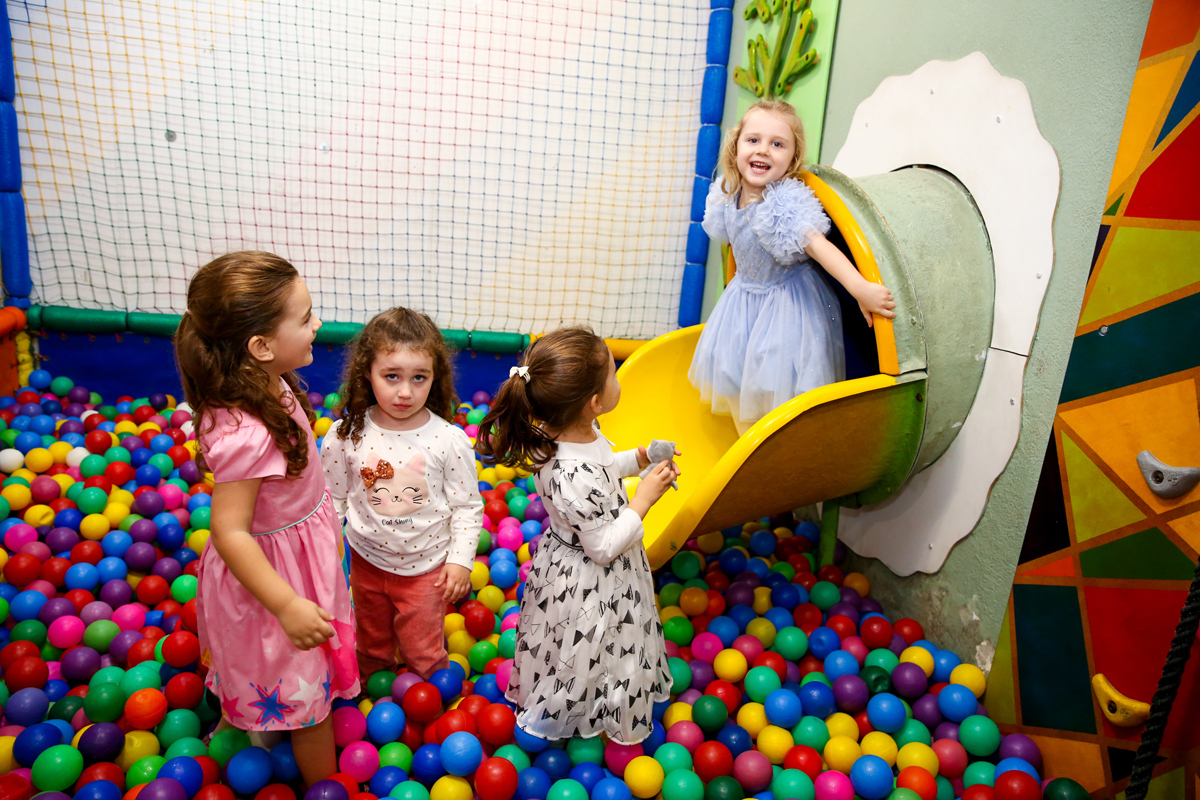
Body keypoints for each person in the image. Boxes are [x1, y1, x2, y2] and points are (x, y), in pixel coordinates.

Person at [174, 251, 359, 785]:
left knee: (280, 666)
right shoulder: (248, 433)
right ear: (260, 346)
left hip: (298, 553)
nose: (317, 325)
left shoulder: (262, 382)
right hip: (274, 576)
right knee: (303, 684)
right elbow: (229, 531)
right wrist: (287, 604)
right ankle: (324, 785)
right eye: (305, 318)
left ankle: (254, 720)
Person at [475, 327, 680, 744]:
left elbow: (604, 464)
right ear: (595, 402)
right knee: (587, 644)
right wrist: (644, 498)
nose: (618, 378)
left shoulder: (570, 432)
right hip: (590, 580)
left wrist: (640, 458)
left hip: (580, 562)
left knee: (595, 643)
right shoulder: (570, 473)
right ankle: (580, 710)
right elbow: (603, 548)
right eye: (614, 374)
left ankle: (599, 699)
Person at [689, 99, 898, 434]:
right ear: (736, 145)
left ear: (792, 158)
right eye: (753, 140)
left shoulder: (783, 203)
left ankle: (779, 447)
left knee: (778, 386)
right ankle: (749, 445)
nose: (763, 150)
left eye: (777, 144)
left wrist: (860, 289)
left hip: (788, 309)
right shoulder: (726, 195)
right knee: (737, 380)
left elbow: (820, 248)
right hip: (743, 303)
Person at [321, 308, 482, 682]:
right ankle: (371, 683)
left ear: (434, 377)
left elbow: (467, 507)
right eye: (391, 376)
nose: (406, 392)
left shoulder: (448, 440)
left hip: (427, 570)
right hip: (365, 561)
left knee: (423, 649)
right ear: (367, 372)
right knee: (371, 640)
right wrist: (325, 552)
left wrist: (460, 561)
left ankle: (429, 691)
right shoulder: (347, 435)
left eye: (419, 377)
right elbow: (333, 499)